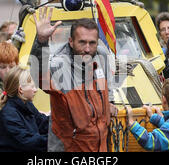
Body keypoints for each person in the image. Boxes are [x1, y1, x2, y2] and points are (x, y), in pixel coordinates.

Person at [30, 7, 114, 152]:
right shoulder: (59, 65)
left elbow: (108, 84)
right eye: (82, 42)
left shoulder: (101, 55)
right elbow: (40, 77)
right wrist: (41, 41)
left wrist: (110, 102)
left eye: (92, 43)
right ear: (71, 41)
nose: (87, 49)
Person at [0, 66, 49, 152]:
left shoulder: (27, 105)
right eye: (32, 86)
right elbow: (27, 142)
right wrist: (55, 138)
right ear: (21, 89)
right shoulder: (9, 114)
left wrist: (63, 125)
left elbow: (42, 123)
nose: (36, 90)